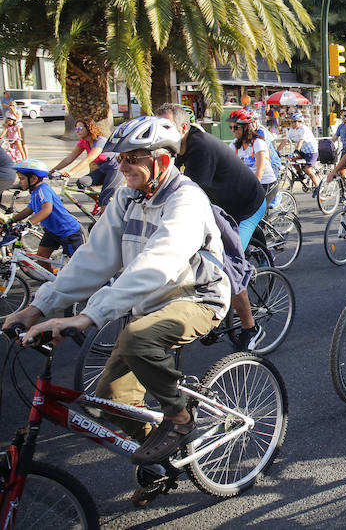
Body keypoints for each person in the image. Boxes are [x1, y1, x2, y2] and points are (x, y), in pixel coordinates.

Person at [2, 117, 230, 501]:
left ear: (163, 160)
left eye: (133, 159)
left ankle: (178, 416)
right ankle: (162, 462)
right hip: (146, 303)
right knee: (111, 400)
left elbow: (159, 262)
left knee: (139, 338)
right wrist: (39, 307)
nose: (122, 167)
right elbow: (94, 259)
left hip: (197, 298)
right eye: (120, 158)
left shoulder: (186, 199)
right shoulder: (129, 196)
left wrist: (88, 315)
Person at [155, 103, 265, 348]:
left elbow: (191, 195)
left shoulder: (200, 147)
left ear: (183, 128)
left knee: (226, 265)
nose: (160, 132)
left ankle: (250, 327)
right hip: (218, 206)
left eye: (166, 126)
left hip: (247, 206)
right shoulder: (171, 147)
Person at [4, 158, 84, 269]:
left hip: (67, 232)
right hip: (52, 231)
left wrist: (28, 224)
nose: (19, 182)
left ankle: (102, 282)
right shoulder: (35, 192)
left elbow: (47, 209)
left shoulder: (43, 190)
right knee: (41, 257)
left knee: (80, 264)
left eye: (21, 178)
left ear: (33, 179)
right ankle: (52, 282)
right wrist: (11, 221)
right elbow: (29, 209)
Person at [50, 117, 122, 215]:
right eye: (75, 129)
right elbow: (70, 158)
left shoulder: (100, 141)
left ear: (88, 128)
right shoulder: (84, 142)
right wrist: (53, 170)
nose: (77, 131)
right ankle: (99, 203)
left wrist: (71, 172)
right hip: (103, 169)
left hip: (115, 169)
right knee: (82, 183)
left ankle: (105, 221)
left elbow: (88, 159)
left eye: (79, 128)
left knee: (104, 198)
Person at [228, 109, 278, 205]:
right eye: (231, 127)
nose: (233, 131)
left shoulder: (258, 143)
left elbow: (260, 171)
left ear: (246, 127)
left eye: (236, 127)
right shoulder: (234, 144)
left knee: (254, 211)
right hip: (248, 183)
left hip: (265, 183)